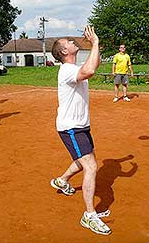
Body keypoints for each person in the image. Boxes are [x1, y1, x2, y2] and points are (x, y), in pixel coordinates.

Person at [49, 26, 111, 236]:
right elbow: (90, 70)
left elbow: (94, 64)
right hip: (71, 128)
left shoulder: (74, 68)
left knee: (84, 159)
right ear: (64, 52)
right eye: (68, 42)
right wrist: (94, 43)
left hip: (80, 125)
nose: (72, 41)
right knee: (91, 166)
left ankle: (62, 180)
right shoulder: (66, 70)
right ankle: (89, 215)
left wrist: (96, 45)